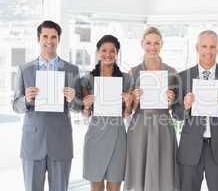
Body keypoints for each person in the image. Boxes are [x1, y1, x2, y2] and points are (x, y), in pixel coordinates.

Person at [12, 20, 80, 191]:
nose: (49, 41)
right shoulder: (25, 69)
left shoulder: (72, 70)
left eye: (53, 37)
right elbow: (15, 105)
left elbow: (79, 107)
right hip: (33, 142)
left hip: (61, 141)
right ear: (38, 39)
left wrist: (73, 98)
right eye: (45, 36)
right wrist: (26, 99)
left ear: (59, 39)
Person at [173, 30, 218, 191]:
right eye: (204, 46)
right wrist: (185, 106)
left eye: (212, 46)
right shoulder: (183, 77)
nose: (208, 51)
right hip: (190, 148)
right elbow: (176, 114)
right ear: (197, 48)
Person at [124, 27, 179, 191]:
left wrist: (171, 101)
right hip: (140, 127)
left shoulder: (172, 72)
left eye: (156, 43)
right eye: (148, 43)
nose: (152, 47)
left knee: (163, 171)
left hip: (163, 127)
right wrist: (133, 99)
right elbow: (127, 111)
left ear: (162, 44)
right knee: (138, 172)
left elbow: (176, 110)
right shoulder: (133, 72)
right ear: (142, 43)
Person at [80, 35, 133, 191]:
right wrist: (86, 106)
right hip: (95, 136)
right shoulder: (87, 80)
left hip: (117, 136)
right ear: (97, 52)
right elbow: (85, 115)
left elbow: (125, 115)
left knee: (114, 186)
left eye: (112, 51)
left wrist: (129, 104)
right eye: (104, 50)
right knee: (96, 186)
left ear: (117, 53)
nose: (108, 54)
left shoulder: (126, 79)